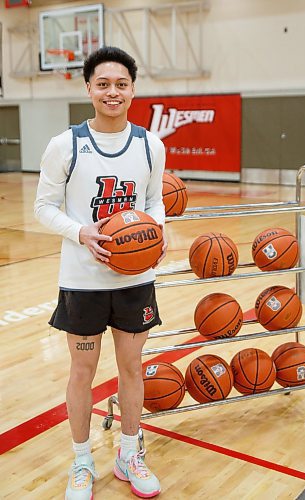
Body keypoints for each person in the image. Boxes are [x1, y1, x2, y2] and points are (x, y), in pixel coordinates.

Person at [34, 46, 167, 499]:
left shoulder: (151, 144)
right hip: (83, 282)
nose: (113, 92)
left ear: (133, 89)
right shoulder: (64, 144)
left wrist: (159, 234)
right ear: (88, 88)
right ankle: (82, 461)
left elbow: (155, 202)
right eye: (104, 84)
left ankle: (130, 453)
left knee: (133, 368)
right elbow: (43, 208)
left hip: (134, 281)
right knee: (82, 371)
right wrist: (79, 232)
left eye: (122, 84)